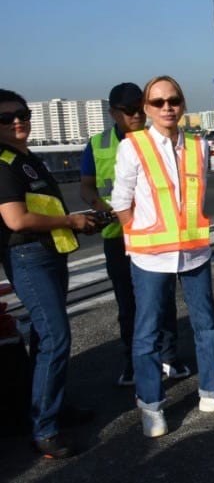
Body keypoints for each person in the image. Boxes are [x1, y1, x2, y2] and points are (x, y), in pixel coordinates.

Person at [111, 76, 214, 438]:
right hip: (150, 257)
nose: (167, 107)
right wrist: (142, 233)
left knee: (207, 327)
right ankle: (151, 405)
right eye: (158, 102)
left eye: (173, 100)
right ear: (146, 108)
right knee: (147, 334)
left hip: (193, 252)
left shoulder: (198, 146)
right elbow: (121, 203)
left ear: (183, 104)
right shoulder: (133, 146)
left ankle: (213, 391)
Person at [0, 89, 98, 458]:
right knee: (55, 337)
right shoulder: (2, 163)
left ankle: (56, 408)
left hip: (49, 252)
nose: (17, 121)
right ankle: (44, 428)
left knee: (46, 338)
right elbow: (16, 219)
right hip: (28, 256)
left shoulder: (27, 158)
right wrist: (70, 219)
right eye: (6, 118)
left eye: (22, 113)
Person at [79, 82, 189, 386]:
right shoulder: (98, 144)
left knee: (163, 299)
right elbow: (87, 185)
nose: (137, 116)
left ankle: (169, 355)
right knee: (127, 303)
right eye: (129, 111)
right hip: (118, 235)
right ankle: (131, 361)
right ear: (113, 112)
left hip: (157, 235)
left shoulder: (158, 139)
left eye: (141, 109)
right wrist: (101, 205)